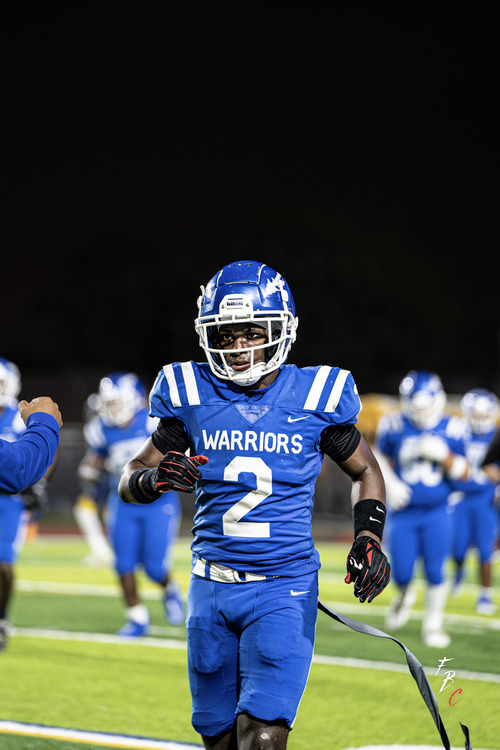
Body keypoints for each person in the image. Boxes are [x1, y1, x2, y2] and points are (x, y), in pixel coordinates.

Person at [118, 260, 391, 750]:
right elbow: (129, 477)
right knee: (218, 737)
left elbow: (366, 470)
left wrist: (368, 536)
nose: (239, 347)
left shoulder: (314, 397)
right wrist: (153, 478)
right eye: (226, 335)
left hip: (283, 585)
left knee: (262, 738)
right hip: (210, 584)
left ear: (279, 331)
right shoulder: (192, 395)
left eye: (252, 333)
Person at [80, 372, 184, 635]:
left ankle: (169, 588)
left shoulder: (152, 421)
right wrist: (89, 471)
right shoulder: (100, 429)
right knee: (123, 564)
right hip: (123, 502)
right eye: (109, 403)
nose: (113, 408)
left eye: (117, 401)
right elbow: (93, 460)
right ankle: (137, 617)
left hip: (158, 503)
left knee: (154, 568)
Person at [374, 369, 468, 649]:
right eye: (417, 407)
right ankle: (404, 595)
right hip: (403, 512)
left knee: (435, 570)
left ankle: (433, 624)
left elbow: (466, 473)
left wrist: (445, 457)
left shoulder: (453, 427)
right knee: (401, 572)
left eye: (427, 406)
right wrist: (390, 483)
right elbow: (377, 455)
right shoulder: (394, 423)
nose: (422, 413)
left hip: (438, 510)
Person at [0, 357, 62, 650]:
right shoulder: (28, 416)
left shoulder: (15, 416)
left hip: (8, 502)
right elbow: (20, 467)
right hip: (13, 481)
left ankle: (1, 616)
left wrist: (39, 482)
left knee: (3, 564)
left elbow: (42, 459)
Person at [450, 389, 499, 614]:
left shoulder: (496, 435)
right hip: (461, 498)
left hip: (485, 499)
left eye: (484, 415)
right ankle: (459, 570)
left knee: (485, 550)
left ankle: (485, 596)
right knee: (458, 547)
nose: (480, 419)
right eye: (476, 415)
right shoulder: (458, 433)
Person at [74, 393, 114, 567]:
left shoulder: (103, 427)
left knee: (112, 512)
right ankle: (103, 551)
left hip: (114, 477)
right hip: (106, 477)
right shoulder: (98, 427)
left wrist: (88, 470)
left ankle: (109, 551)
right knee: (85, 509)